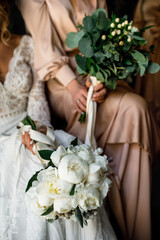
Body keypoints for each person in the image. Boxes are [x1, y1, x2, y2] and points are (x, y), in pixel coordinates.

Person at [16, 0, 160, 240]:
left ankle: (135, 230)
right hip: (61, 81)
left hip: (95, 74)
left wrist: (104, 75)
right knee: (130, 107)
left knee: (136, 110)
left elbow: (102, 37)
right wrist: (73, 86)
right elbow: (44, 51)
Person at [0, 1, 117, 240]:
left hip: (25, 126)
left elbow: (36, 99)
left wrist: (38, 129)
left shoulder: (25, 44)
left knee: (54, 152)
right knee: (23, 166)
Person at [133, 0, 160, 126]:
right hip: (146, 44)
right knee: (146, 87)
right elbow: (137, 23)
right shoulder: (142, 1)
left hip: (158, 43)